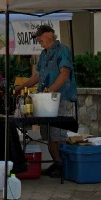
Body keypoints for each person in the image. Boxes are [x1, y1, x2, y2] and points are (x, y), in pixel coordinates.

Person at [17, 24, 77, 178]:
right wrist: (21, 86)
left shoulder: (62, 50)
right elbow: (37, 75)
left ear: (50, 34)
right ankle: (57, 163)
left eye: (40, 36)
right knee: (48, 134)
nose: (38, 39)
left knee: (57, 134)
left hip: (59, 98)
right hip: (44, 100)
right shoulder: (44, 54)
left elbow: (64, 74)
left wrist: (50, 90)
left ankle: (62, 166)